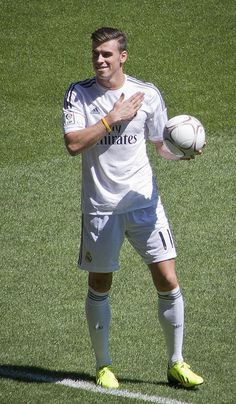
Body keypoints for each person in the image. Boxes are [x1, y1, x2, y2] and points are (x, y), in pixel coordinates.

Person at [62, 27, 204, 389]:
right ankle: (104, 365)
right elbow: (74, 144)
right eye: (96, 53)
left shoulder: (148, 95)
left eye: (107, 54)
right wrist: (113, 117)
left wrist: (183, 153)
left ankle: (176, 363)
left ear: (122, 56)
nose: (99, 60)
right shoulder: (80, 94)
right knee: (100, 282)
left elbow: (160, 144)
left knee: (168, 279)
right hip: (101, 207)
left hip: (144, 204)